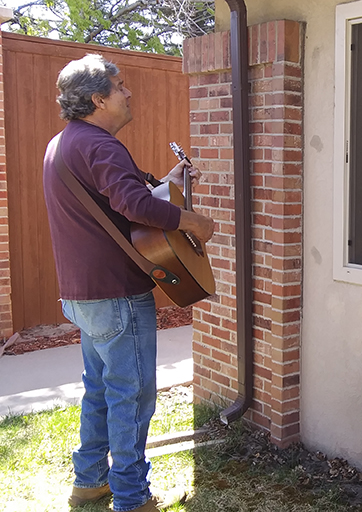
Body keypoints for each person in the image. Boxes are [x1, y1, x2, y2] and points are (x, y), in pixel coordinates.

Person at [42, 54, 214, 512]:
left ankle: (90, 482)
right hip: (115, 293)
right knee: (132, 397)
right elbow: (135, 206)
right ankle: (133, 499)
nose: (129, 93)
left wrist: (170, 180)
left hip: (82, 294)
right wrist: (192, 220)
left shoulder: (65, 144)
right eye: (121, 87)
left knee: (101, 388)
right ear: (99, 99)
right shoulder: (100, 146)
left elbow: (123, 199)